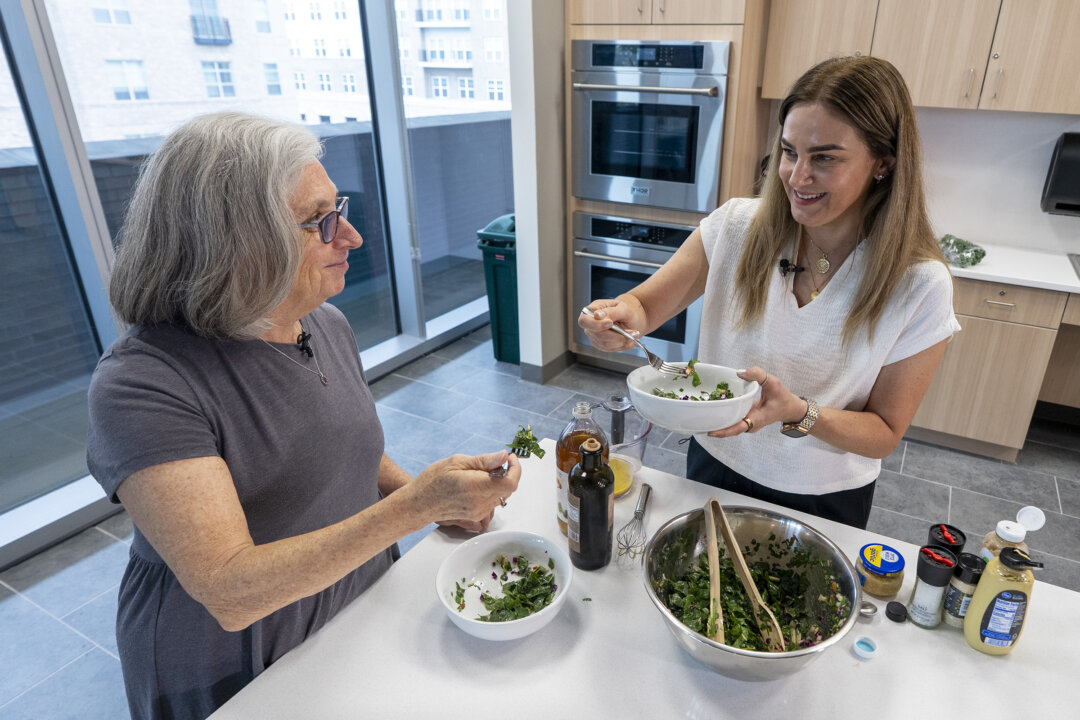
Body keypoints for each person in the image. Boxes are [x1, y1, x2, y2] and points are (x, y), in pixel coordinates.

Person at [86, 112, 520, 720]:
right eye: (321, 222)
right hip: (237, 660)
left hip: (352, 601)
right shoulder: (143, 384)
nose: (351, 238)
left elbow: (343, 446)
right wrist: (416, 506)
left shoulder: (322, 322)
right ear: (235, 243)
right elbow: (230, 589)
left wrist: (434, 498)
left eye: (335, 210)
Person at [579, 56, 960, 530]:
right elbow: (645, 305)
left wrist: (800, 413)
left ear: (883, 162)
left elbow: (883, 433)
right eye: (789, 151)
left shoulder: (919, 284)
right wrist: (620, 317)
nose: (797, 177)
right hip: (715, 463)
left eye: (824, 157)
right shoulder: (738, 226)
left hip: (822, 496)